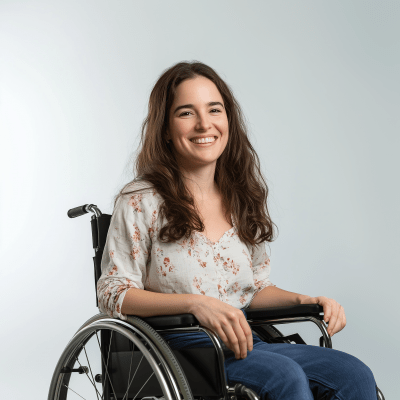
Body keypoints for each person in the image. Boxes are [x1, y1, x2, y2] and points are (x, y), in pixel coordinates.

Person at [97, 61, 379, 399]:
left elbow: (254, 290)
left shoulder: (240, 197)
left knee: (352, 374)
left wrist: (306, 300)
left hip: (246, 340)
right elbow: (112, 294)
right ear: (166, 129)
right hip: (178, 348)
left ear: (227, 119)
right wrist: (196, 304)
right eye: (186, 113)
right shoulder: (142, 200)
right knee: (284, 378)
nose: (204, 124)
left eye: (214, 109)